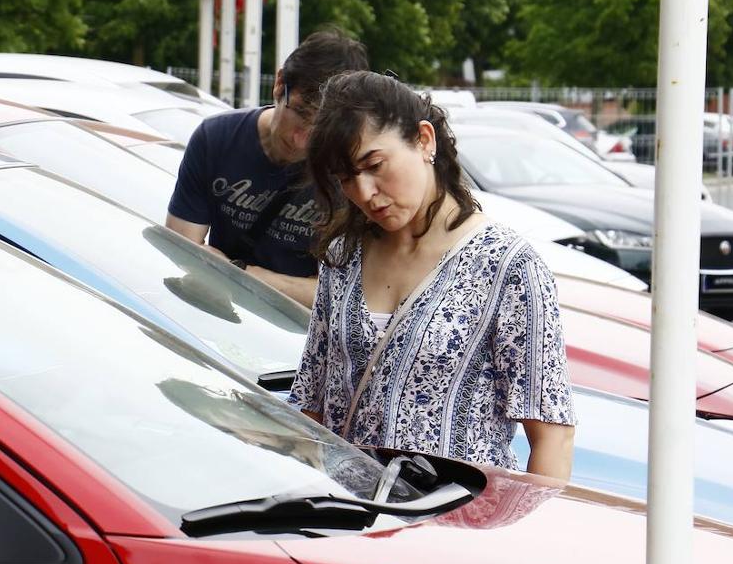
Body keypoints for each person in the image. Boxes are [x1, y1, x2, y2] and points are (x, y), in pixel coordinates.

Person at [287, 71, 575, 480]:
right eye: (347, 178)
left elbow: (551, 436)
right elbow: (313, 404)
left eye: (375, 165)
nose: (365, 192)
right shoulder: (344, 256)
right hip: (348, 525)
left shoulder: (507, 264)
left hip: (456, 526)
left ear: (424, 140)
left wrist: (527, 535)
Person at [166, 29, 370, 308]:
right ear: (279, 83)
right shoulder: (215, 139)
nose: (303, 139)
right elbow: (181, 250)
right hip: (215, 313)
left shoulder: (349, 175)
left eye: (321, 128)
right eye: (299, 112)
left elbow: (339, 297)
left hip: (293, 336)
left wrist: (240, 272)